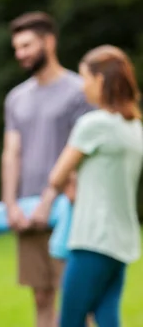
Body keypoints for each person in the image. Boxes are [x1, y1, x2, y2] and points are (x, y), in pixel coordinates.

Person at [2, 11, 94, 327]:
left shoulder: (80, 91)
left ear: (49, 41)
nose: (21, 54)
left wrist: (51, 199)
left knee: (77, 298)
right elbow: (11, 152)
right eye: (17, 48)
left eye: (27, 45)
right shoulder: (16, 97)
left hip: (71, 209)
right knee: (41, 296)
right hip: (28, 212)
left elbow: (85, 154)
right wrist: (10, 204)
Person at [43, 45, 142, 326]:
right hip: (121, 241)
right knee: (107, 317)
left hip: (93, 239)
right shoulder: (134, 127)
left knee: (70, 320)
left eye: (85, 78)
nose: (83, 87)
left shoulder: (94, 124)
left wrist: (71, 180)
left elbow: (56, 176)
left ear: (100, 80)